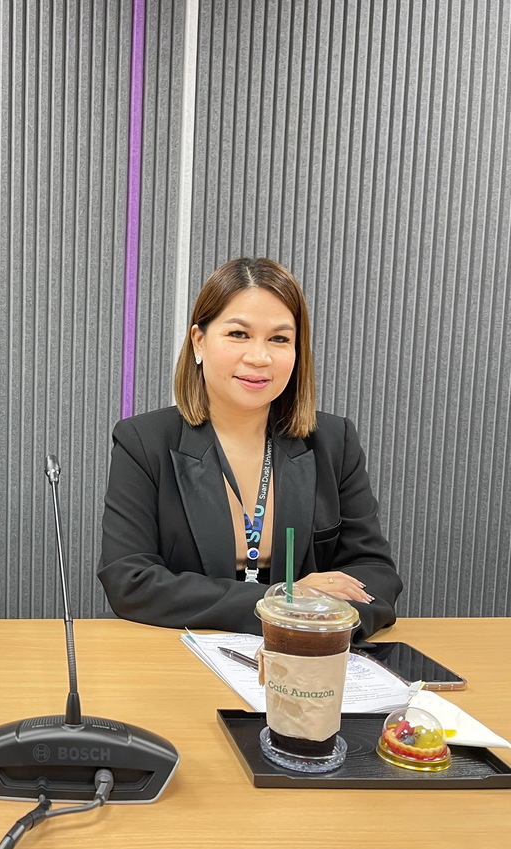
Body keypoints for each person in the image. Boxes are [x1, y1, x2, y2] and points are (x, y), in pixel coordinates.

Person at [98, 257, 400, 641]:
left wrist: (312, 625)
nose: (259, 357)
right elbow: (130, 581)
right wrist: (281, 600)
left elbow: (375, 574)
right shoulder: (144, 441)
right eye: (239, 334)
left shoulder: (332, 440)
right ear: (199, 341)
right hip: (182, 651)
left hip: (305, 651)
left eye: (279, 339)